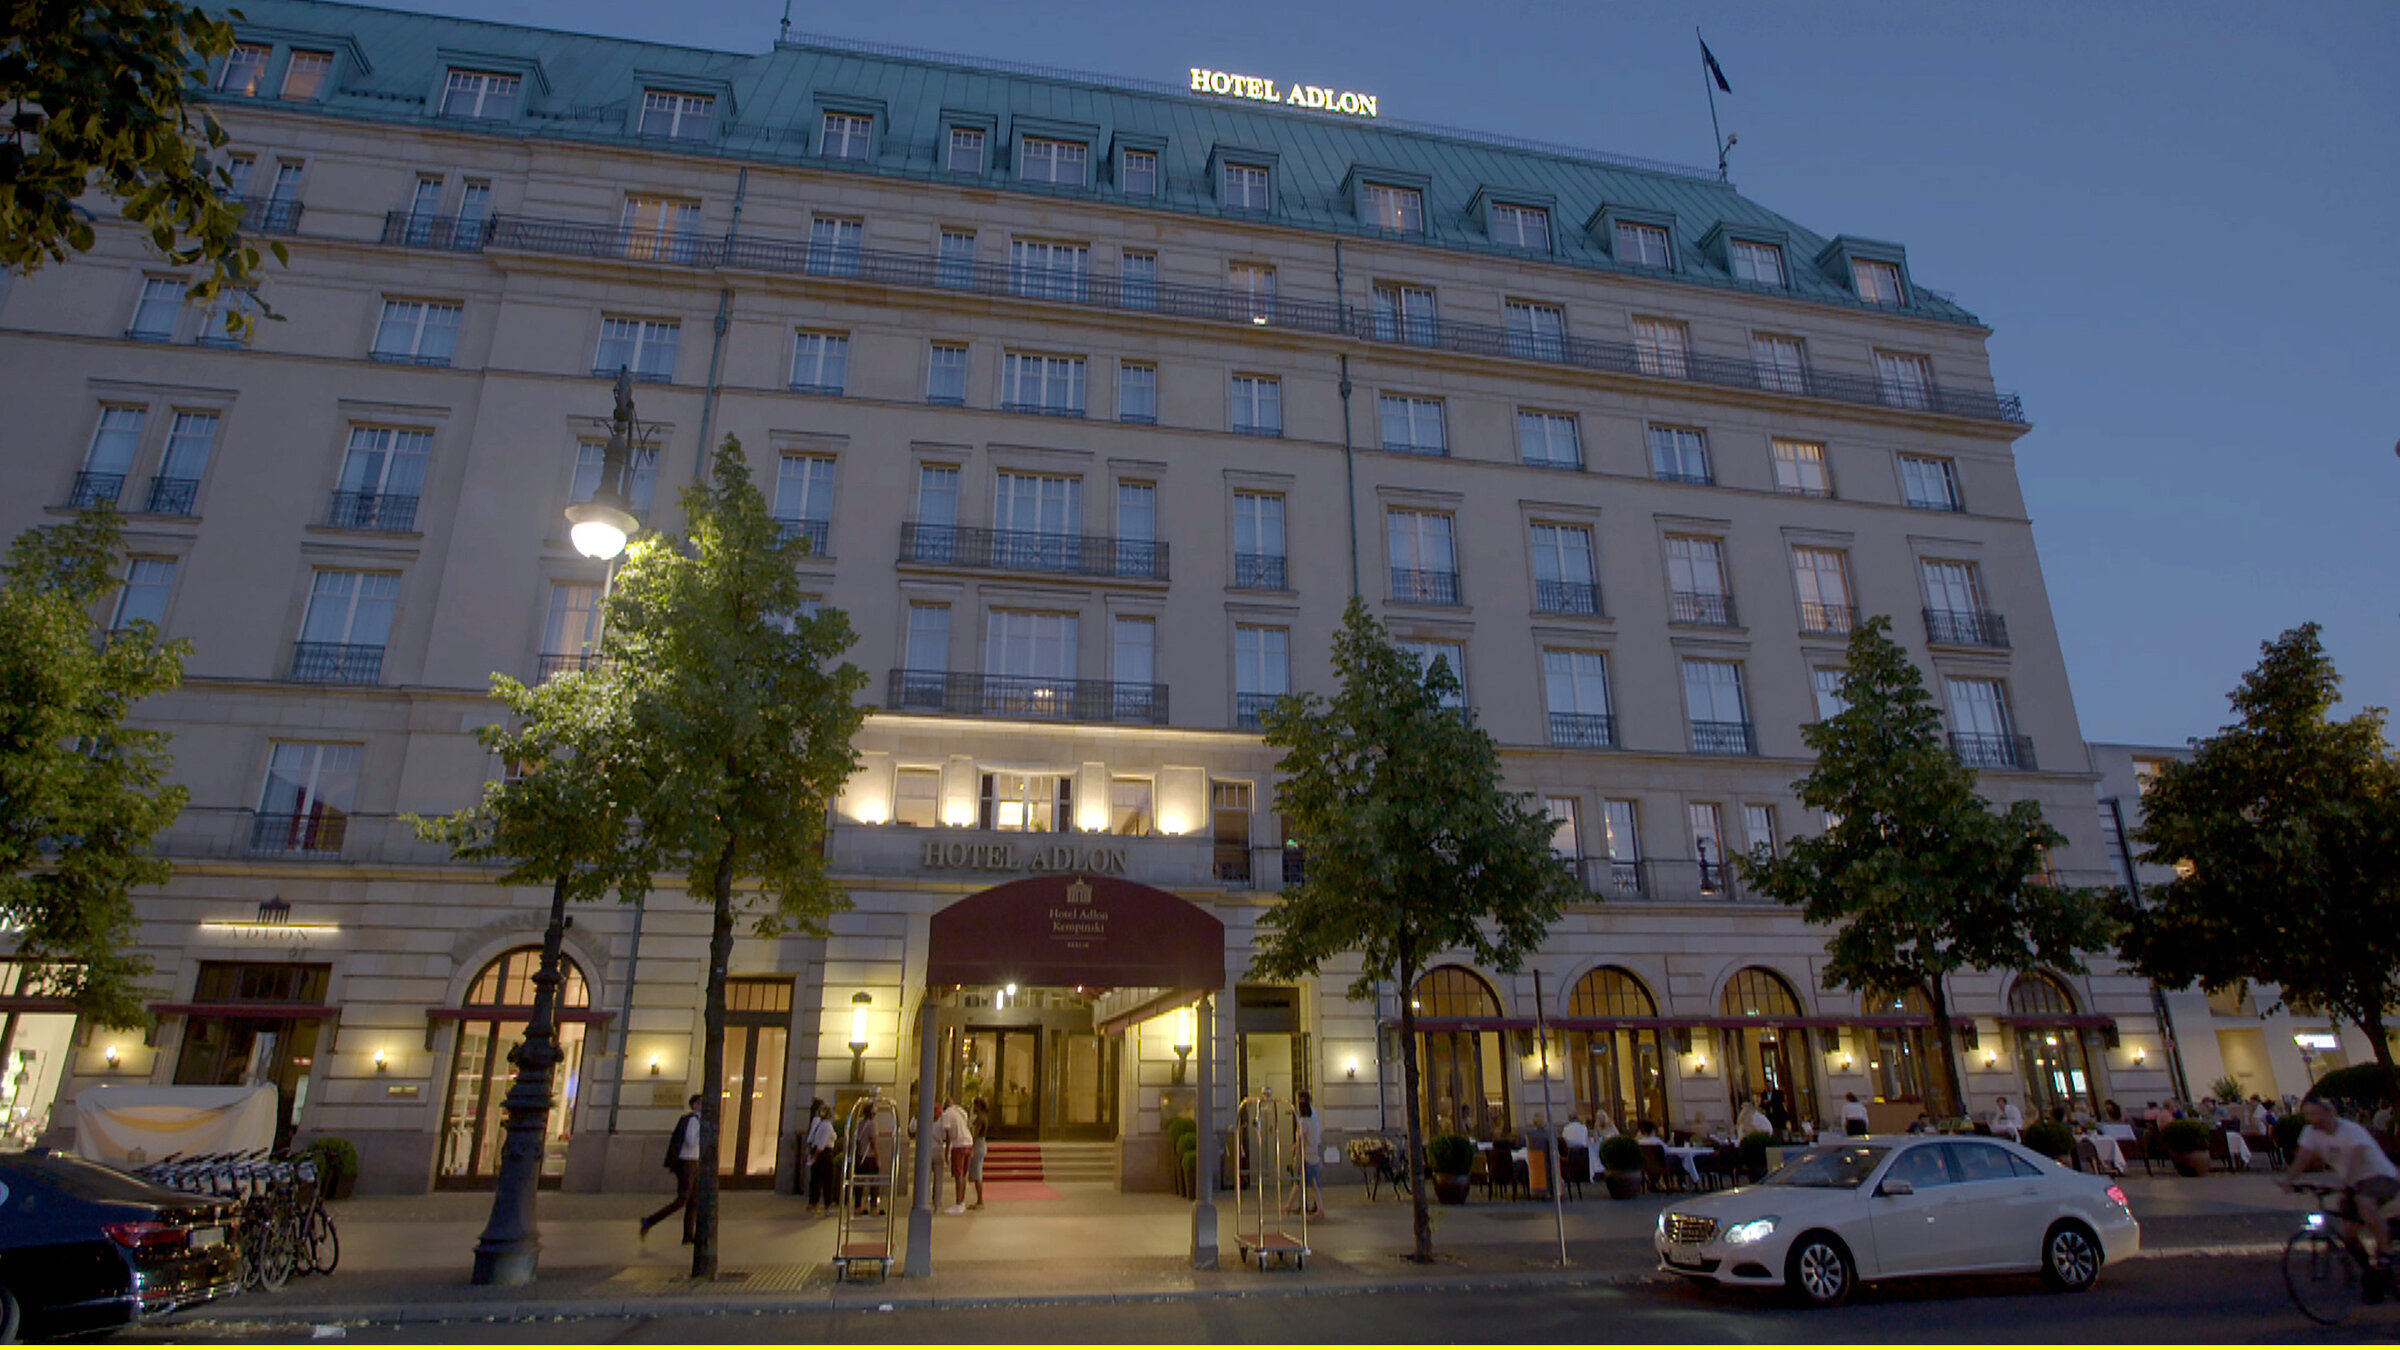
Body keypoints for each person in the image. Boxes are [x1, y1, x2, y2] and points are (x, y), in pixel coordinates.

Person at [2281, 1096, 2399, 1297]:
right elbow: (2303, 1157)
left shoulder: (2350, 1130)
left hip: (2379, 1176)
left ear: (2328, 1113)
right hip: (2353, 1182)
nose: (2311, 1119)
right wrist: (2289, 1180)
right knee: (2348, 1233)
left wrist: (2345, 1183)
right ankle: (2373, 1275)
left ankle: (2386, 1251)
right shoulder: (2311, 1133)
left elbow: (2357, 1156)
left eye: (2315, 1114)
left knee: (2364, 1201)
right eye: (2307, 1114)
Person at [640, 1093, 703, 1242]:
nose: (704, 1106)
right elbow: (690, 1142)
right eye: (701, 1103)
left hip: (694, 1161)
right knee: (683, 1199)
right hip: (687, 1162)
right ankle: (649, 1221)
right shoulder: (693, 1121)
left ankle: (688, 1235)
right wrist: (703, 1131)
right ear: (695, 1105)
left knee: (694, 1200)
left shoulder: (698, 1121)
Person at [938, 1095, 974, 1215]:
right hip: (968, 1142)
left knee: (958, 1175)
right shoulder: (961, 1111)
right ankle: (962, 1201)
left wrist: (947, 1150)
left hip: (958, 1144)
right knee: (963, 1174)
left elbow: (948, 1134)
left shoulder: (946, 1114)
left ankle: (958, 1203)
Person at [1290, 1089, 1325, 1216]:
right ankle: (1320, 1208)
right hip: (1314, 1152)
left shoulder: (1304, 1120)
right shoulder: (1314, 1113)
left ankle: (1289, 1206)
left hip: (1308, 1155)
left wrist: (1296, 1159)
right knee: (1314, 1183)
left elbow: (1300, 1140)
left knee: (1300, 1183)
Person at [803, 1099, 838, 1216]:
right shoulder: (827, 1126)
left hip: (818, 1154)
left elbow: (812, 1140)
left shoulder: (817, 1123)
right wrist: (815, 1157)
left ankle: (813, 1203)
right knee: (828, 1181)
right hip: (825, 1155)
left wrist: (812, 1157)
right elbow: (822, 1145)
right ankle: (827, 1205)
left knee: (816, 1180)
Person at [852, 1101, 884, 1215]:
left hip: (860, 1156)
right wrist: (878, 1158)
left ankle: (857, 1206)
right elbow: (874, 1142)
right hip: (869, 1157)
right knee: (874, 1183)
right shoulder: (873, 1124)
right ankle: (873, 1207)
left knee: (859, 1183)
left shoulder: (860, 1123)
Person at [967, 1097, 989, 1210]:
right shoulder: (983, 1117)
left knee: (977, 1173)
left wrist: (971, 1145)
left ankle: (980, 1200)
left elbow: (975, 1134)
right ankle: (979, 1200)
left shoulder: (981, 1118)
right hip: (982, 1144)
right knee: (977, 1172)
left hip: (978, 1144)